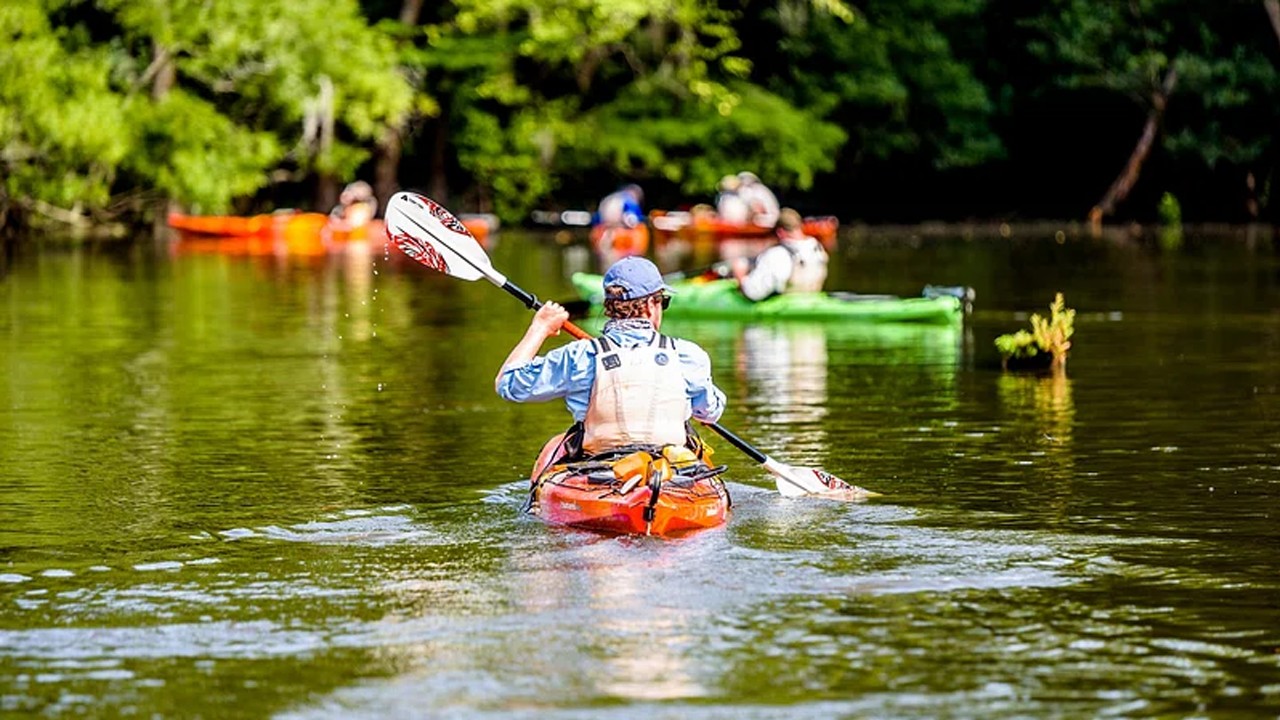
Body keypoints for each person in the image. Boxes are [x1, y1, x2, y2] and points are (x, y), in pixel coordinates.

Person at [496, 256, 726, 458]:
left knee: (558, 447)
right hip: (672, 476)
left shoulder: (580, 356)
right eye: (662, 301)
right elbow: (709, 411)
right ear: (649, 305)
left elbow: (509, 384)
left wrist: (541, 327)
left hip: (599, 473)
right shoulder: (688, 355)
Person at [731, 207, 829, 301]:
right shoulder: (817, 247)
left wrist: (740, 276)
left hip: (789, 308)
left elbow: (753, 293)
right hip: (813, 300)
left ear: (780, 232)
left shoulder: (779, 255)